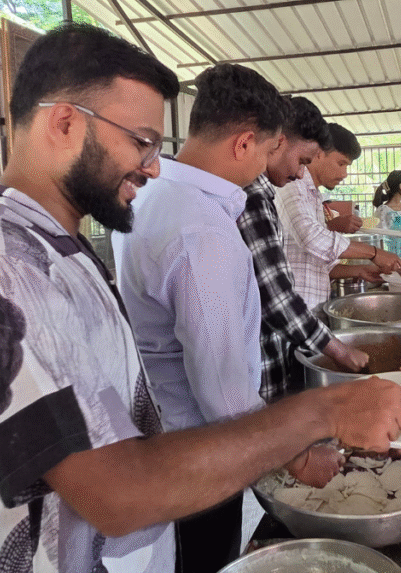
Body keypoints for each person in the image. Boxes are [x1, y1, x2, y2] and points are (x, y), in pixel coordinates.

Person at [0, 23, 401, 573]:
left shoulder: (56, 246)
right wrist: (319, 416)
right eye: (140, 141)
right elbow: (115, 492)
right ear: (65, 123)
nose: (151, 166)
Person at [114, 63, 344, 572]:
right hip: (201, 455)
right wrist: (299, 455)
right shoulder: (202, 231)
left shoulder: (150, 195)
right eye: (267, 151)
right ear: (243, 144)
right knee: (206, 559)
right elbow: (221, 390)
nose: (268, 167)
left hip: (160, 435)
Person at [238, 96, 369, 401]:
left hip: (288, 333)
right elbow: (277, 296)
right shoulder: (258, 194)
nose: (300, 173)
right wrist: (338, 350)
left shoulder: (264, 191)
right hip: (278, 340)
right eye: (303, 161)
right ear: (277, 142)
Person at [277, 122, 401, 308]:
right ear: (318, 153)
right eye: (341, 163)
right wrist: (373, 253)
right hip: (292, 309)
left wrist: (359, 270)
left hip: (312, 308)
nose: (345, 174)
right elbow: (310, 237)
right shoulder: (291, 185)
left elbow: (317, 262)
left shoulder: (314, 196)